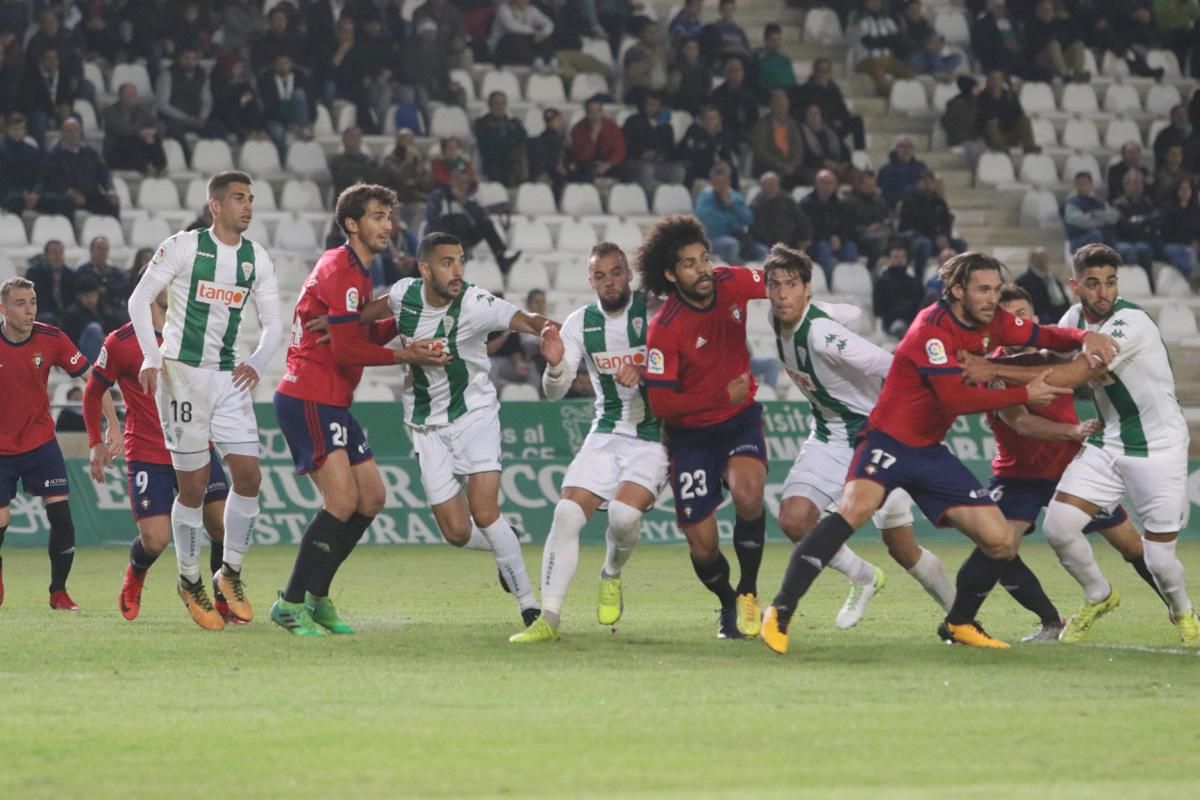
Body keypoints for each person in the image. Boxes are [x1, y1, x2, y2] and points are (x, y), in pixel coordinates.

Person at [759, 251, 1115, 654]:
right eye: (983, 289)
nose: (991, 298)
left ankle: (959, 621)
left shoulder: (992, 320)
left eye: (996, 290)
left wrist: (1084, 336)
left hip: (928, 450)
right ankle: (780, 611)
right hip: (887, 440)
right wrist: (1024, 392)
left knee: (1000, 540)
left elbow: (1043, 335)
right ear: (958, 290)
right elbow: (954, 398)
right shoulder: (931, 328)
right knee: (852, 511)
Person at [971, 245, 1198, 646]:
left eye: (1110, 282)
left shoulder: (1130, 322)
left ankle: (1183, 611)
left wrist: (991, 369)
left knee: (1159, 559)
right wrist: (987, 364)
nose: (1102, 292)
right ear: (1075, 285)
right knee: (1059, 529)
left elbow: (1074, 372)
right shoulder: (1074, 318)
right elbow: (1047, 353)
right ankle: (1099, 595)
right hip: (1108, 441)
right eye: (1092, 283)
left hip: (1158, 446)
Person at [271, 185, 449, 636]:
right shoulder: (341, 268)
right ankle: (289, 603)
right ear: (351, 224)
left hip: (333, 397)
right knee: (342, 500)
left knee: (371, 498)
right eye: (376, 216)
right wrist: (407, 354)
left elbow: (353, 339)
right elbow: (350, 351)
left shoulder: (358, 271)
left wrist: (407, 317)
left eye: (389, 215)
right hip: (309, 394)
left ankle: (317, 596)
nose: (387, 224)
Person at [360, 232, 557, 627]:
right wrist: (334, 322)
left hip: (474, 415)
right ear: (425, 268)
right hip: (426, 425)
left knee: (485, 512)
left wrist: (549, 332)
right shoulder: (403, 295)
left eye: (461, 260)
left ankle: (530, 606)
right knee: (455, 531)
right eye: (447, 262)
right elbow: (364, 315)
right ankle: (508, 542)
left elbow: (526, 319)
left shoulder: (475, 303)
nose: (457, 270)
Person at [764, 244, 956, 626]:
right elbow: (850, 312)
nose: (782, 293)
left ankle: (960, 614)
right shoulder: (777, 317)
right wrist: (836, 313)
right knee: (794, 519)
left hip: (878, 439)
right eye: (774, 284)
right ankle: (864, 577)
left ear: (807, 289)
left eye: (791, 284)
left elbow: (887, 363)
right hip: (830, 435)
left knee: (902, 548)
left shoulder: (821, 335)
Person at [125, 171, 282, 628]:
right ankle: (188, 579)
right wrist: (152, 358)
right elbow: (139, 301)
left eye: (251, 198)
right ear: (215, 205)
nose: (247, 206)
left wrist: (257, 359)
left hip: (228, 377)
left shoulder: (256, 258)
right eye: (238, 198)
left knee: (249, 477)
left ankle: (229, 573)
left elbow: (274, 322)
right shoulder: (184, 246)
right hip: (183, 376)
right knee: (192, 487)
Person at [510, 243, 666, 643]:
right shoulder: (580, 323)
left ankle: (611, 573)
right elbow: (555, 392)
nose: (609, 281)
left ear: (628, 275)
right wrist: (556, 364)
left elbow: (687, 367)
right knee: (565, 513)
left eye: (616, 273)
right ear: (590, 279)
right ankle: (549, 618)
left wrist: (647, 367)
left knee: (623, 518)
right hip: (607, 430)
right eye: (600, 275)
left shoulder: (656, 313)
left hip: (655, 436)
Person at [637, 215, 771, 639]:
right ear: (671, 274)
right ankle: (727, 602)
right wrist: (719, 397)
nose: (702, 270)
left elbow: (778, 281)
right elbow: (661, 403)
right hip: (690, 436)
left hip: (739, 422)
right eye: (689, 264)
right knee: (703, 544)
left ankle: (748, 592)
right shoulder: (665, 329)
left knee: (750, 495)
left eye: (704, 259)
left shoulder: (732, 281)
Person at [83, 267, 234, 628]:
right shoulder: (121, 342)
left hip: (196, 446)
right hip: (149, 452)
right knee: (155, 539)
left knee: (222, 527)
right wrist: (97, 440)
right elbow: (93, 390)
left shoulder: (194, 331)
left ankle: (220, 598)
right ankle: (135, 575)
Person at [0, 276, 97, 610]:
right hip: (1, 450)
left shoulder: (51, 337)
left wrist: (109, 423)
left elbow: (92, 380)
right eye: (20, 303)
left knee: (62, 517)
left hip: (40, 441)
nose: (29, 311)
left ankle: (59, 592)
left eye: (33, 302)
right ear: (3, 308)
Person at [425, 167, 521, 274]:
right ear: (451, 181)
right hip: (444, 236)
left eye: (466, 183)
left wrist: (464, 202)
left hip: (463, 237)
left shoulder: (469, 198)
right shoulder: (438, 196)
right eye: (460, 182)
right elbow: (432, 220)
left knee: (486, 223)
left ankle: (501, 258)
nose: (463, 186)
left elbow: (480, 217)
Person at [36, 116, 119, 218]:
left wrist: (110, 190)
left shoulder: (91, 152)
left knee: (112, 202)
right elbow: (51, 179)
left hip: (89, 195)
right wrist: (69, 192)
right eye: (69, 131)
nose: (73, 135)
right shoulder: (53, 154)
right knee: (67, 202)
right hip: (65, 195)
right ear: (62, 133)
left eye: (76, 131)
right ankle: (71, 232)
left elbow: (104, 173)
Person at [695, 162, 765, 264]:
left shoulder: (734, 196)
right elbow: (711, 220)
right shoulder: (705, 197)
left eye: (725, 181)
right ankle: (738, 272)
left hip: (739, 237)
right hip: (715, 238)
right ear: (713, 181)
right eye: (719, 182)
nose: (722, 185)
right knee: (732, 244)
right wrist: (734, 221)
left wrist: (731, 205)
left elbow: (748, 218)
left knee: (763, 251)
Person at [621, 91, 686, 199]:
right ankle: (652, 201)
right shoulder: (633, 122)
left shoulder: (666, 127)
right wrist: (642, 154)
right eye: (648, 105)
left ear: (660, 107)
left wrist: (659, 155)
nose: (650, 108)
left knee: (679, 171)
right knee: (647, 169)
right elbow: (625, 147)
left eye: (654, 105)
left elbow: (671, 151)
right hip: (636, 162)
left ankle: (673, 200)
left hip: (659, 163)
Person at [792, 58, 866, 151]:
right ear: (814, 72)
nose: (822, 74)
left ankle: (860, 153)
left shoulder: (834, 90)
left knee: (857, 121)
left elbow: (843, 109)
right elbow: (798, 111)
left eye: (826, 71)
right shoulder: (805, 90)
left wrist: (840, 119)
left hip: (835, 125)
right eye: (820, 71)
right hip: (818, 125)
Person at [800, 170, 858, 286]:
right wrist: (828, 238)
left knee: (851, 247)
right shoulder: (807, 204)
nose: (826, 186)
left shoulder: (841, 204)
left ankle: (847, 283)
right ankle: (828, 283)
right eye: (823, 182)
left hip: (836, 242)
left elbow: (846, 226)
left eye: (830, 183)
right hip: (815, 244)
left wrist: (839, 237)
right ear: (816, 184)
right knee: (823, 247)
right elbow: (807, 229)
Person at [848, 0, 915, 96]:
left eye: (878, 1)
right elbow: (868, 41)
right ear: (865, 2)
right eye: (872, 1)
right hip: (866, 60)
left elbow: (897, 40)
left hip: (887, 60)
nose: (876, 3)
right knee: (878, 69)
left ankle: (908, 95)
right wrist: (887, 40)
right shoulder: (857, 18)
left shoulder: (888, 20)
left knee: (907, 71)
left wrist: (886, 40)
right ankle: (888, 94)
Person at [101, 83, 167, 174]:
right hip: (116, 152)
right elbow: (121, 129)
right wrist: (141, 132)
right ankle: (145, 169)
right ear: (119, 95)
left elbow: (160, 125)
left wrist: (152, 131)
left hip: (137, 149)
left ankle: (160, 167)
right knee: (129, 140)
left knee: (154, 138)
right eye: (127, 95)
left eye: (132, 95)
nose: (130, 97)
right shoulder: (109, 111)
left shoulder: (142, 110)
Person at [1112, 170, 1159, 288]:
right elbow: (1125, 226)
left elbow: (1155, 219)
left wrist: (1138, 221)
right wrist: (1143, 223)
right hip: (1122, 241)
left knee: (1145, 249)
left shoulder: (1147, 203)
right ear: (1126, 185)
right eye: (1135, 183)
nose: (1138, 186)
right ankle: (1129, 286)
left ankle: (1149, 286)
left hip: (1141, 240)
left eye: (1140, 183)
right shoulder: (1118, 204)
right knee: (1131, 250)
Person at [474, 91, 528, 188]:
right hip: (493, 162)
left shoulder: (514, 122)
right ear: (490, 105)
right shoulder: (482, 123)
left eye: (502, 103)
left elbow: (522, 136)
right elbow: (488, 142)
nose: (500, 106)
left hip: (512, 161)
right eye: (496, 103)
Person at [676, 104, 737, 187]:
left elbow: (726, 152)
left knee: (731, 169)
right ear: (703, 119)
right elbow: (688, 151)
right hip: (698, 165)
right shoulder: (694, 130)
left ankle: (734, 197)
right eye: (708, 118)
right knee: (690, 169)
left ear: (719, 119)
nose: (711, 121)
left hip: (715, 166)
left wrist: (724, 162)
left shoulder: (725, 133)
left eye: (714, 118)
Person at [976, 70, 1038, 154]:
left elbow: (1018, 114)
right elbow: (985, 117)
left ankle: (1029, 147)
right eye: (993, 79)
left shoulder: (1010, 96)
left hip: (1009, 132)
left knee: (1024, 120)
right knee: (991, 123)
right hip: (990, 138)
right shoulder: (982, 98)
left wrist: (1002, 119)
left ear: (1002, 81)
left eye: (999, 79)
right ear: (988, 81)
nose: (996, 83)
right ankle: (1002, 150)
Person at [750, 171, 812, 252]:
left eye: (773, 183)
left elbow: (800, 218)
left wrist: (806, 237)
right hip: (766, 243)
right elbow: (756, 227)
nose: (771, 186)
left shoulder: (787, 200)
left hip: (789, 242)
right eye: (767, 183)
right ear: (762, 185)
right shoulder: (756, 203)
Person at [569, 95, 626, 182]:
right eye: (592, 112)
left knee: (625, 169)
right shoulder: (578, 129)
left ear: (601, 111)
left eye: (597, 111)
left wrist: (607, 165)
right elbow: (580, 156)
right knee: (585, 170)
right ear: (587, 113)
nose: (595, 115)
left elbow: (620, 150)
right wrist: (593, 137)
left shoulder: (612, 127)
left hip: (608, 163)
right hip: (588, 164)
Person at [77, 236, 131, 326]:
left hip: (113, 306)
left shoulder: (115, 272)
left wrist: (106, 289)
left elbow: (124, 289)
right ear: (91, 250)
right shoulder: (83, 271)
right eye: (100, 249)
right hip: (89, 308)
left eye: (106, 249)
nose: (103, 252)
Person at [873, 243, 924, 337]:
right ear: (889, 259)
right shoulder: (882, 281)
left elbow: (920, 301)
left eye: (902, 257)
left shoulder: (915, 280)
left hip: (914, 318)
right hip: (893, 320)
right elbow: (878, 309)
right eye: (896, 257)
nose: (900, 260)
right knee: (901, 327)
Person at [1062, 171, 1119, 253]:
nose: (1082, 187)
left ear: (1091, 185)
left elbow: (1113, 217)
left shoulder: (1099, 202)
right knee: (1096, 234)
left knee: (1109, 234)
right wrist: (1101, 219)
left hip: (1100, 237)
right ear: (1075, 185)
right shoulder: (1071, 203)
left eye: (1085, 184)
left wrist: (1094, 215)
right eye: (1079, 184)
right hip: (1079, 240)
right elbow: (1082, 222)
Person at [489, 0, 556, 68]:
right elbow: (512, 27)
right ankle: (534, 59)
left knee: (542, 36)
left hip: (523, 46)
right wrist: (534, 32)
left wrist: (544, 33)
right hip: (502, 48)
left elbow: (549, 23)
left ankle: (550, 59)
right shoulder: (503, 9)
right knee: (513, 37)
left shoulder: (532, 10)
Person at [24, 240, 76, 326]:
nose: (58, 256)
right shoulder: (35, 273)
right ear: (46, 254)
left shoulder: (69, 274)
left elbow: (73, 297)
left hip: (65, 312)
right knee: (48, 318)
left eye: (60, 253)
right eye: (54, 253)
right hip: (43, 311)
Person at [1160, 177, 1200, 286]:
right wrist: (1190, 242)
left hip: (1192, 246)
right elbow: (1168, 233)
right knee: (1188, 252)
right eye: (1182, 189)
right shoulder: (1168, 209)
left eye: (1187, 189)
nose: (1185, 192)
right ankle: (1192, 277)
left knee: (1191, 251)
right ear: (1177, 191)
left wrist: (1197, 240)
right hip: (1173, 245)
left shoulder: (1196, 210)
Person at [1015, 247, 1070, 323]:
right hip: (1040, 321)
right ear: (1033, 260)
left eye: (1044, 257)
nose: (1042, 261)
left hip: (1059, 319)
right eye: (1039, 258)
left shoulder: (1053, 279)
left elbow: (1063, 299)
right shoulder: (1023, 281)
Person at [0, 112, 41, 214]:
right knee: (15, 199)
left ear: (25, 130)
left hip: (30, 194)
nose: (17, 132)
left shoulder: (32, 150)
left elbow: (40, 176)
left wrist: (35, 192)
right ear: (7, 130)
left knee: (62, 201)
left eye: (20, 128)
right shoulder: (1, 149)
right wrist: (22, 192)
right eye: (14, 129)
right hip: (7, 193)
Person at [622, 18, 669, 104]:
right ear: (642, 34)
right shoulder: (634, 51)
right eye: (650, 32)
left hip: (662, 92)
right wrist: (651, 60)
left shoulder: (662, 51)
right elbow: (631, 75)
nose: (653, 35)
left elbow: (671, 69)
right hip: (641, 92)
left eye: (656, 32)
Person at [329, 126, 383, 197]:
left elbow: (377, 180)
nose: (355, 140)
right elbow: (343, 177)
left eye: (358, 137)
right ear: (344, 139)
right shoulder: (337, 161)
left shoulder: (367, 160)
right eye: (351, 136)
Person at [877, 135, 927, 209]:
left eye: (910, 146)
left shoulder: (921, 167)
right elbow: (884, 194)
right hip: (896, 206)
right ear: (895, 149)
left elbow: (926, 187)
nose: (906, 149)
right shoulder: (885, 170)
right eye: (902, 146)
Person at [754, 23, 796, 99]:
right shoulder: (758, 59)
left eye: (778, 40)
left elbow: (792, 83)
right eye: (773, 40)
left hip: (787, 97)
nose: (776, 43)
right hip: (767, 97)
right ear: (766, 40)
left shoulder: (785, 60)